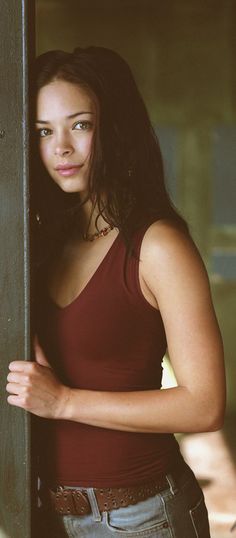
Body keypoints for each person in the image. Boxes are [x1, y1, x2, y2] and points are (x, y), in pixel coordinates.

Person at [6, 46, 225, 537]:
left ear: (114, 128)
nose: (60, 147)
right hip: (45, 513)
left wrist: (63, 402)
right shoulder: (40, 243)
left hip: (143, 517)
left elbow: (205, 404)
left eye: (79, 125)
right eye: (43, 131)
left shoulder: (157, 244)